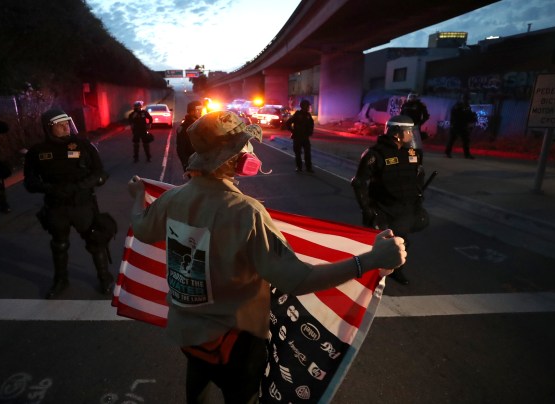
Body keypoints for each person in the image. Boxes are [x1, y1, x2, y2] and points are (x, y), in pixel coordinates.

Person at [127, 110, 406, 403]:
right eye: (245, 144)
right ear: (234, 156)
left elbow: (143, 229)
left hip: (188, 333)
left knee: (198, 389)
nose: (250, 149)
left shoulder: (173, 199)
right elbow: (298, 280)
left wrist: (137, 197)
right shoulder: (246, 212)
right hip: (235, 344)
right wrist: (369, 260)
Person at [24, 108, 115, 299]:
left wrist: (79, 186)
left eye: (67, 123)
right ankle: (60, 280)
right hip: (56, 206)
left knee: (94, 241)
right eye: (61, 125)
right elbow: (30, 182)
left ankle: (104, 277)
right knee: (59, 245)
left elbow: (100, 172)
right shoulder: (37, 152)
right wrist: (50, 189)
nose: (66, 127)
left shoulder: (83, 145)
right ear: (49, 128)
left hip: (82, 204)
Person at [351, 115, 429, 286]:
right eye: (409, 131)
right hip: (382, 208)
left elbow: (418, 178)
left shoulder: (412, 153)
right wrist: (368, 210)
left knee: (401, 243)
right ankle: (366, 275)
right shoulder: (374, 154)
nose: (411, 134)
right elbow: (359, 183)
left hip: (404, 209)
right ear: (396, 133)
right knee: (377, 246)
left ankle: (396, 270)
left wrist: (417, 203)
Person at [284, 99, 314, 172]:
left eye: (308, 106)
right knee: (298, 153)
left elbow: (311, 124)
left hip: (305, 137)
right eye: (307, 106)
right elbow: (288, 123)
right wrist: (293, 131)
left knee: (307, 153)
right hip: (297, 137)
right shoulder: (297, 114)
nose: (308, 107)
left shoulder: (308, 115)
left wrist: (310, 131)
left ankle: (308, 168)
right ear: (303, 106)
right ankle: (299, 167)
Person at [445, 94, 478, 159]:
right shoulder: (458, 106)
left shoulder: (467, 106)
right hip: (456, 125)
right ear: (463, 99)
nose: (467, 101)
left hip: (463, 126)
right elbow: (458, 115)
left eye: (468, 99)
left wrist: (472, 116)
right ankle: (448, 152)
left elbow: (469, 115)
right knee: (452, 139)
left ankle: (467, 154)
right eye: (466, 99)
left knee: (466, 140)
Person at [176, 100, 203, 171]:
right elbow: (180, 148)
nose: (200, 112)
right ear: (191, 112)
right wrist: (186, 164)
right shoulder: (184, 128)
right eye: (198, 110)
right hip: (192, 164)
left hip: (204, 162)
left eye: (201, 109)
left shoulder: (202, 124)